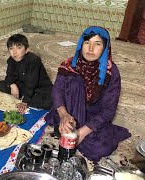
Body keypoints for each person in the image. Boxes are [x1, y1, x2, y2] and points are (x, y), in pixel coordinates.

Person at [45, 26, 131, 162]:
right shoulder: (69, 65)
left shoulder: (111, 73)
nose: (90, 49)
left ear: (105, 48)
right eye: (87, 43)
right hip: (69, 112)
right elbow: (57, 91)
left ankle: (72, 130)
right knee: (74, 80)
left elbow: (108, 110)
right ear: (81, 44)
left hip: (93, 116)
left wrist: (82, 132)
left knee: (99, 148)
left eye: (97, 44)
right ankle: (67, 125)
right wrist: (63, 114)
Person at [0, 34, 53, 113]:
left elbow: (32, 82)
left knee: (50, 101)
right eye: (11, 48)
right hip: (22, 86)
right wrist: (12, 85)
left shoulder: (34, 60)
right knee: (1, 85)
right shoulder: (10, 60)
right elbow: (9, 76)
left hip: (39, 88)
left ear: (26, 50)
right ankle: (22, 96)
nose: (14, 52)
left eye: (19, 48)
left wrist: (25, 101)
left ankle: (24, 98)